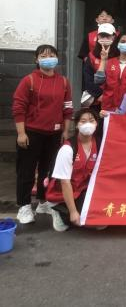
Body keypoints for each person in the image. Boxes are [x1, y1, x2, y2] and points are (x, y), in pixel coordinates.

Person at [13, 44, 73, 225]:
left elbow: (68, 108)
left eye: (51, 55)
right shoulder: (29, 80)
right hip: (31, 133)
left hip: (54, 134)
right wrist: (21, 133)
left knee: (48, 170)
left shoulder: (63, 82)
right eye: (43, 55)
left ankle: (43, 201)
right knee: (27, 170)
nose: (48, 58)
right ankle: (24, 206)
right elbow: (19, 107)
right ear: (36, 59)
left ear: (57, 58)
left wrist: (65, 131)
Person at [45, 108, 100, 231]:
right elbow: (65, 182)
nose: (88, 124)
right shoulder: (68, 149)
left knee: (101, 222)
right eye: (83, 121)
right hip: (62, 193)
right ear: (76, 125)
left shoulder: (99, 143)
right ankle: (58, 209)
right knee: (86, 221)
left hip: (82, 190)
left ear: (96, 124)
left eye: (91, 120)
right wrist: (73, 212)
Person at [95, 31, 126, 112]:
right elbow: (98, 81)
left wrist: (123, 107)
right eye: (123, 41)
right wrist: (103, 60)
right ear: (117, 44)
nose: (125, 44)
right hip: (108, 107)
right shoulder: (109, 62)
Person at [82, 23, 117, 109]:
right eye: (102, 36)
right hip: (97, 100)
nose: (104, 39)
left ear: (113, 37)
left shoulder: (119, 55)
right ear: (98, 37)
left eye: (108, 36)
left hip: (116, 100)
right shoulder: (91, 56)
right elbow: (88, 80)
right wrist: (99, 95)